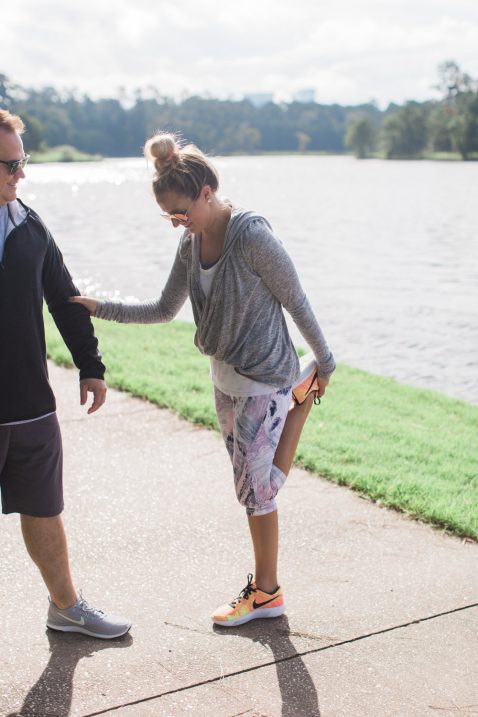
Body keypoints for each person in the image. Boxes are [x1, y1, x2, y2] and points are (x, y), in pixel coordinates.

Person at [71, 130, 336, 628]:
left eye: (181, 212)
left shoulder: (253, 237)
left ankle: (267, 593)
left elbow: (295, 299)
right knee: (250, 488)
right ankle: (301, 400)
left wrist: (325, 359)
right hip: (225, 379)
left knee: (258, 493)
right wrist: (99, 307)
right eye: (169, 216)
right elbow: (164, 308)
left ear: (207, 193)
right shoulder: (190, 244)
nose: (177, 223)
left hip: (263, 375)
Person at [0, 109, 131, 639]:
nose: (21, 174)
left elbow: (65, 296)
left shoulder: (30, 227)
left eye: (22, 161)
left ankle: (66, 606)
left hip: (30, 402)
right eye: (10, 165)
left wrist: (91, 367)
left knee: (45, 510)